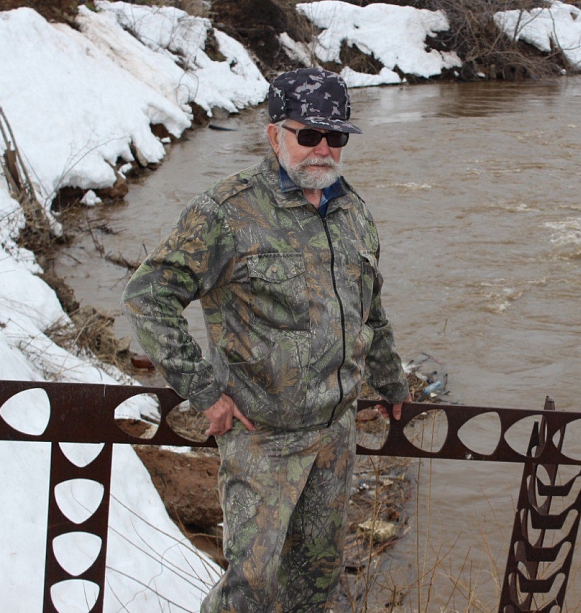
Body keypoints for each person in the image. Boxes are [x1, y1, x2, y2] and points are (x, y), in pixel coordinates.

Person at [122, 67, 410, 612]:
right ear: (274, 133)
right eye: (309, 135)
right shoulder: (226, 213)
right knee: (248, 590)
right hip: (263, 441)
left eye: (336, 136)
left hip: (335, 437)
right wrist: (204, 391)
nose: (323, 149)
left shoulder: (353, 213)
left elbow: (370, 312)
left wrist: (393, 383)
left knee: (318, 586)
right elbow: (147, 294)